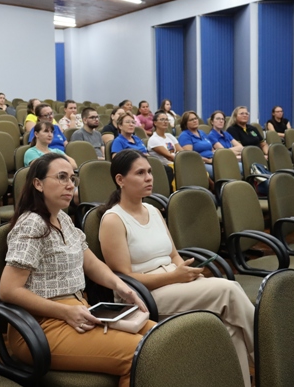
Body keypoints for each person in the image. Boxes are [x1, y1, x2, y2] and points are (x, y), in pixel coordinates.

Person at [98, 150, 254, 387]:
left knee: (229, 326)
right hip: (142, 296)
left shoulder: (153, 210)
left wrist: (186, 272)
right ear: (120, 180)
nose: (149, 177)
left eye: (149, 171)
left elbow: (173, 254)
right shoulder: (112, 219)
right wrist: (174, 277)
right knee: (229, 290)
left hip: (172, 280)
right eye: (140, 173)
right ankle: (270, 355)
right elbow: (124, 279)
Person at [0, 152, 155, 387]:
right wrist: (65, 313)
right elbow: (8, 290)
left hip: (80, 311)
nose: (69, 185)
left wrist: (122, 287)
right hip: (40, 327)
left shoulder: (63, 218)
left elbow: (91, 263)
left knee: (161, 337)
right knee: (141, 354)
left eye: (72, 179)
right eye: (61, 177)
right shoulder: (31, 223)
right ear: (38, 184)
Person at [178, 111, 216, 179]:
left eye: (195, 118)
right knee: (219, 171)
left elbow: (212, 149)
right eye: (191, 120)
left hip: (213, 160)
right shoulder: (185, 135)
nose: (195, 121)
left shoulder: (202, 133)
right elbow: (190, 156)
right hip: (200, 163)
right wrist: (208, 161)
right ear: (185, 123)